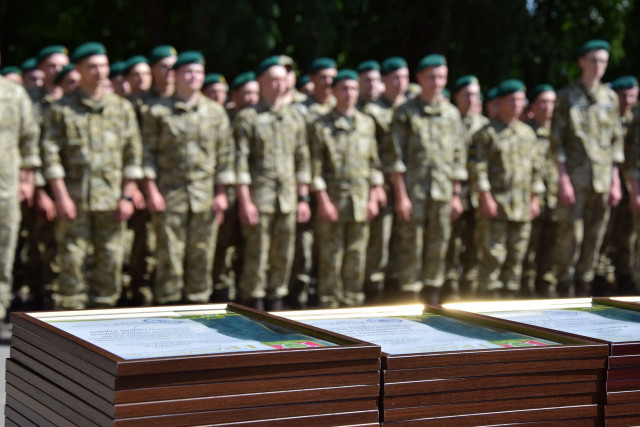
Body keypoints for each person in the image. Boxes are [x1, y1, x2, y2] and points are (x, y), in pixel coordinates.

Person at [41, 42, 144, 309]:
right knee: (72, 261)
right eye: (92, 67)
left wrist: (127, 196)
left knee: (110, 259)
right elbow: (50, 156)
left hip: (112, 200)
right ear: (77, 69)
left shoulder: (122, 108)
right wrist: (61, 197)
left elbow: (133, 156)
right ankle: (69, 317)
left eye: (103, 65)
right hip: (75, 199)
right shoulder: (61, 109)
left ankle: (104, 315)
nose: (100, 72)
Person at [141, 51, 234, 305]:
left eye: (199, 72)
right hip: (169, 195)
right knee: (169, 255)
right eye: (188, 72)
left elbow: (225, 155)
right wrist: (151, 191)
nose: (194, 77)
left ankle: (198, 304)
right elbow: (146, 154)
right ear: (175, 75)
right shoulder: (157, 111)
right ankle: (167, 306)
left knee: (202, 254)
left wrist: (221, 193)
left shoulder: (215, 112)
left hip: (205, 196)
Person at [387, 54, 466, 305]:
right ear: (419, 78)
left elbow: (458, 157)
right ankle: (409, 299)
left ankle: (433, 301)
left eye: (441, 77)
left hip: (443, 192)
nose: (437, 82)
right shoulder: (406, 112)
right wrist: (401, 196)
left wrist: (456, 194)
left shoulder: (452, 114)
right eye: (431, 77)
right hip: (414, 193)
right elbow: (395, 158)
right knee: (411, 247)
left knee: (438, 246)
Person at [235, 55, 310, 311]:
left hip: (287, 198)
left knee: (284, 252)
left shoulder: (295, 117)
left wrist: (303, 199)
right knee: (257, 252)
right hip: (260, 198)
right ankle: (253, 300)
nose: (279, 84)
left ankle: (276, 298)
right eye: (273, 80)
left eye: (282, 79)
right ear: (261, 82)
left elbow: (302, 161)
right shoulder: (248, 118)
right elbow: (240, 163)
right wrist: (245, 201)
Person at [550, 39, 624, 297]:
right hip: (575, 178)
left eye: (603, 61)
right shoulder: (566, 97)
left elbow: (616, 142)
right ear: (582, 62)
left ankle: (585, 284)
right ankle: (564, 286)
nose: (598, 66)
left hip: (602, 178)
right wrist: (562, 179)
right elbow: (557, 141)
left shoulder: (610, 98)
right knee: (570, 234)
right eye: (593, 60)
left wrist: (616, 180)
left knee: (595, 235)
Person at [311, 69, 384, 307]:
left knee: (357, 254)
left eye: (353, 89)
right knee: (331, 256)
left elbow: (374, 163)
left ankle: (353, 302)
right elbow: (315, 168)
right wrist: (323, 200)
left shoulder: (366, 123)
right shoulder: (321, 125)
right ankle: (329, 304)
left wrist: (373, 197)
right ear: (333, 92)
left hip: (360, 201)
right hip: (334, 200)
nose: (349, 94)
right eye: (344, 89)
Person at [471, 79, 543, 298]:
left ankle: (510, 301)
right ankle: (488, 302)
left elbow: (536, 169)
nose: (517, 105)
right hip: (497, 207)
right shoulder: (486, 133)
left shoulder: (527, 134)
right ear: (500, 102)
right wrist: (485, 197)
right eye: (512, 100)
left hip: (521, 207)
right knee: (493, 257)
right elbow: (477, 168)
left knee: (516, 257)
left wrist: (534, 198)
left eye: (521, 100)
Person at [289, 57, 337, 308]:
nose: (328, 82)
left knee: (330, 249)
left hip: (335, 190)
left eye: (332, 77)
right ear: (312, 80)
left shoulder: (340, 108)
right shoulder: (299, 110)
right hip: (306, 186)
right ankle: (300, 299)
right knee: (304, 248)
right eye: (323, 77)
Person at [361, 56, 409, 303]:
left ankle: (397, 295)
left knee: (404, 246)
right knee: (379, 244)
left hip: (411, 188)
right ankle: (375, 296)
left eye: (404, 77)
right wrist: (376, 183)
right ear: (385, 81)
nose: (400, 83)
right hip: (384, 187)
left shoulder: (411, 108)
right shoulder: (372, 111)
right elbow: (370, 152)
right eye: (395, 78)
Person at [0, 57, 41, 320]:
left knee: (3, 253)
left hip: (5, 189)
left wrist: (27, 180)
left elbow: (29, 137)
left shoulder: (13, 93)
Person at [444, 75, 489, 301]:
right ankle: (450, 290)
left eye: (476, 95)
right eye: (467, 95)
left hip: (477, 196)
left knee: (475, 244)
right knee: (451, 244)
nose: (472, 99)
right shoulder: (448, 121)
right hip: (452, 194)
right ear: (457, 97)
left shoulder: (484, 125)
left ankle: (470, 292)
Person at [597, 76, 640, 295]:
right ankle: (601, 274)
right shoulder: (606, 118)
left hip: (630, 185)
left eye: (632, 95)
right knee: (606, 229)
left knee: (627, 233)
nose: (628, 100)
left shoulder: (635, 120)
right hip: (609, 182)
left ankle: (624, 275)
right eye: (623, 96)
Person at [520, 84, 559, 298]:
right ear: (533, 106)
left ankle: (547, 288)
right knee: (529, 246)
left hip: (556, 199)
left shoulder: (560, 133)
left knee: (553, 246)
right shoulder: (526, 132)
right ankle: (527, 289)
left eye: (552, 102)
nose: (548, 106)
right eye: (543, 102)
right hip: (531, 199)